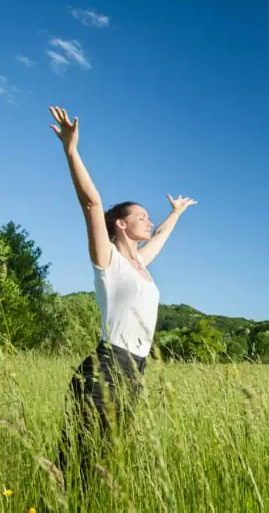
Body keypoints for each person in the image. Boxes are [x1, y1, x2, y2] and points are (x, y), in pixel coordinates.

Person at [48, 106, 195, 487]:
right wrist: (71, 150)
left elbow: (160, 236)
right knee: (81, 461)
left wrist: (175, 212)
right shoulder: (108, 260)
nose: (148, 220)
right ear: (121, 224)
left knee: (105, 464)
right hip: (108, 366)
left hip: (136, 369)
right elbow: (92, 204)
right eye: (141, 215)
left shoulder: (140, 265)